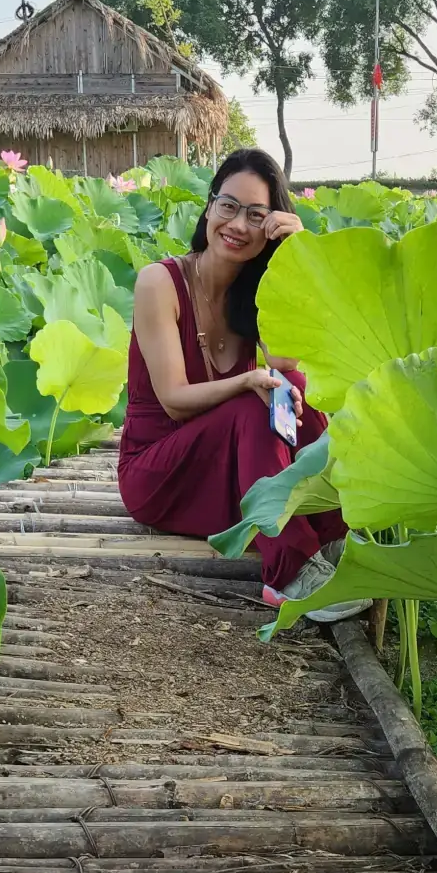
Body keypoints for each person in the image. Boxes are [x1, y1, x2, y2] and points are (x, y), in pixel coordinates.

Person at [118, 148, 367, 621]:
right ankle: (288, 572)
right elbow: (173, 401)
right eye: (228, 206)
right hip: (158, 474)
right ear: (210, 207)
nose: (237, 225)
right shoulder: (160, 282)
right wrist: (249, 381)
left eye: (257, 215)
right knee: (260, 399)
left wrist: (293, 257)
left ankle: (329, 535)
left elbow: (286, 360)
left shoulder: (253, 294)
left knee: (293, 384)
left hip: (229, 471)